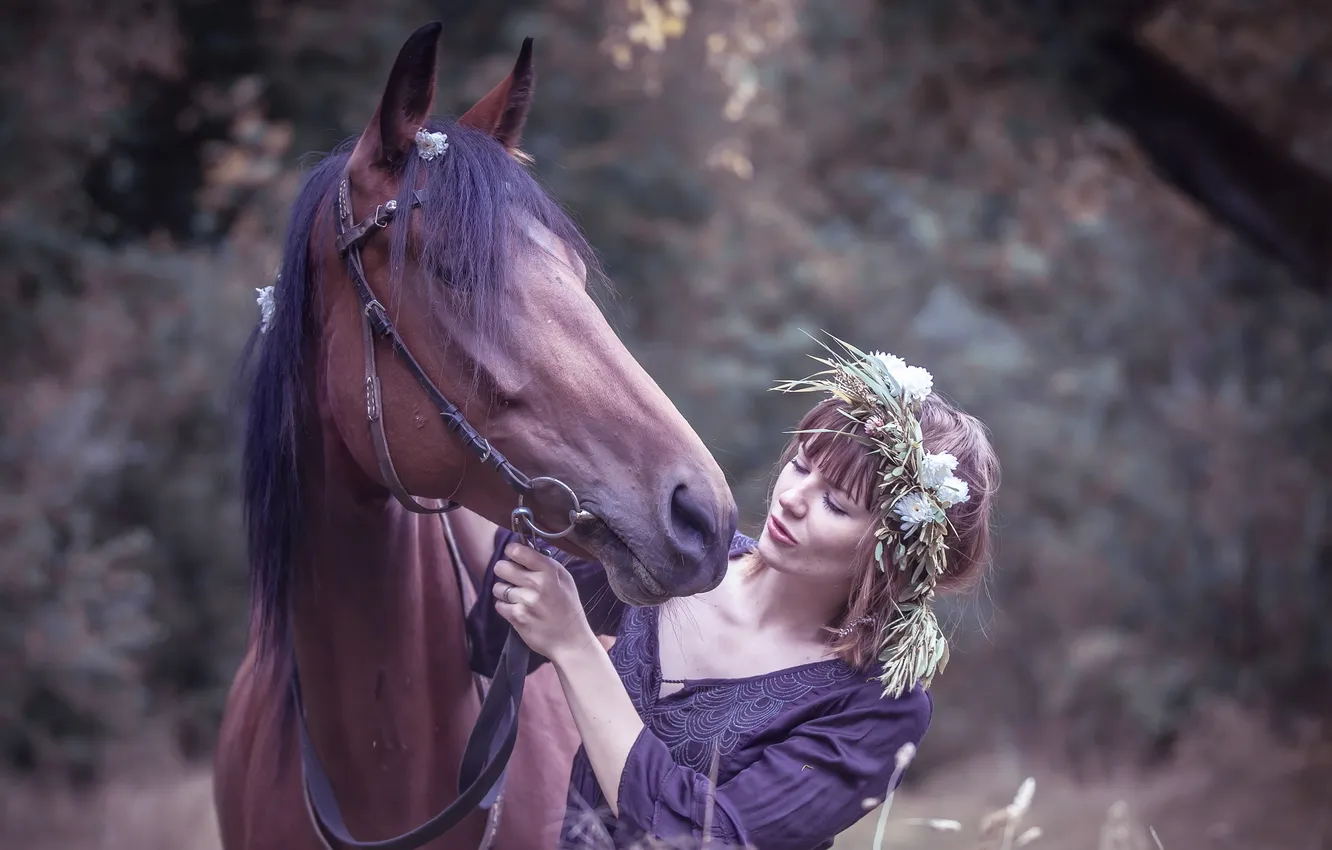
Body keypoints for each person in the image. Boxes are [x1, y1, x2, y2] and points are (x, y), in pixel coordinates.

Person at [457, 338, 1000, 850]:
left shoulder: (876, 707)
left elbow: (701, 838)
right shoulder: (676, 558)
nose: (792, 498)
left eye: (835, 504)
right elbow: (485, 642)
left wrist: (575, 647)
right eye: (800, 465)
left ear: (893, 555)